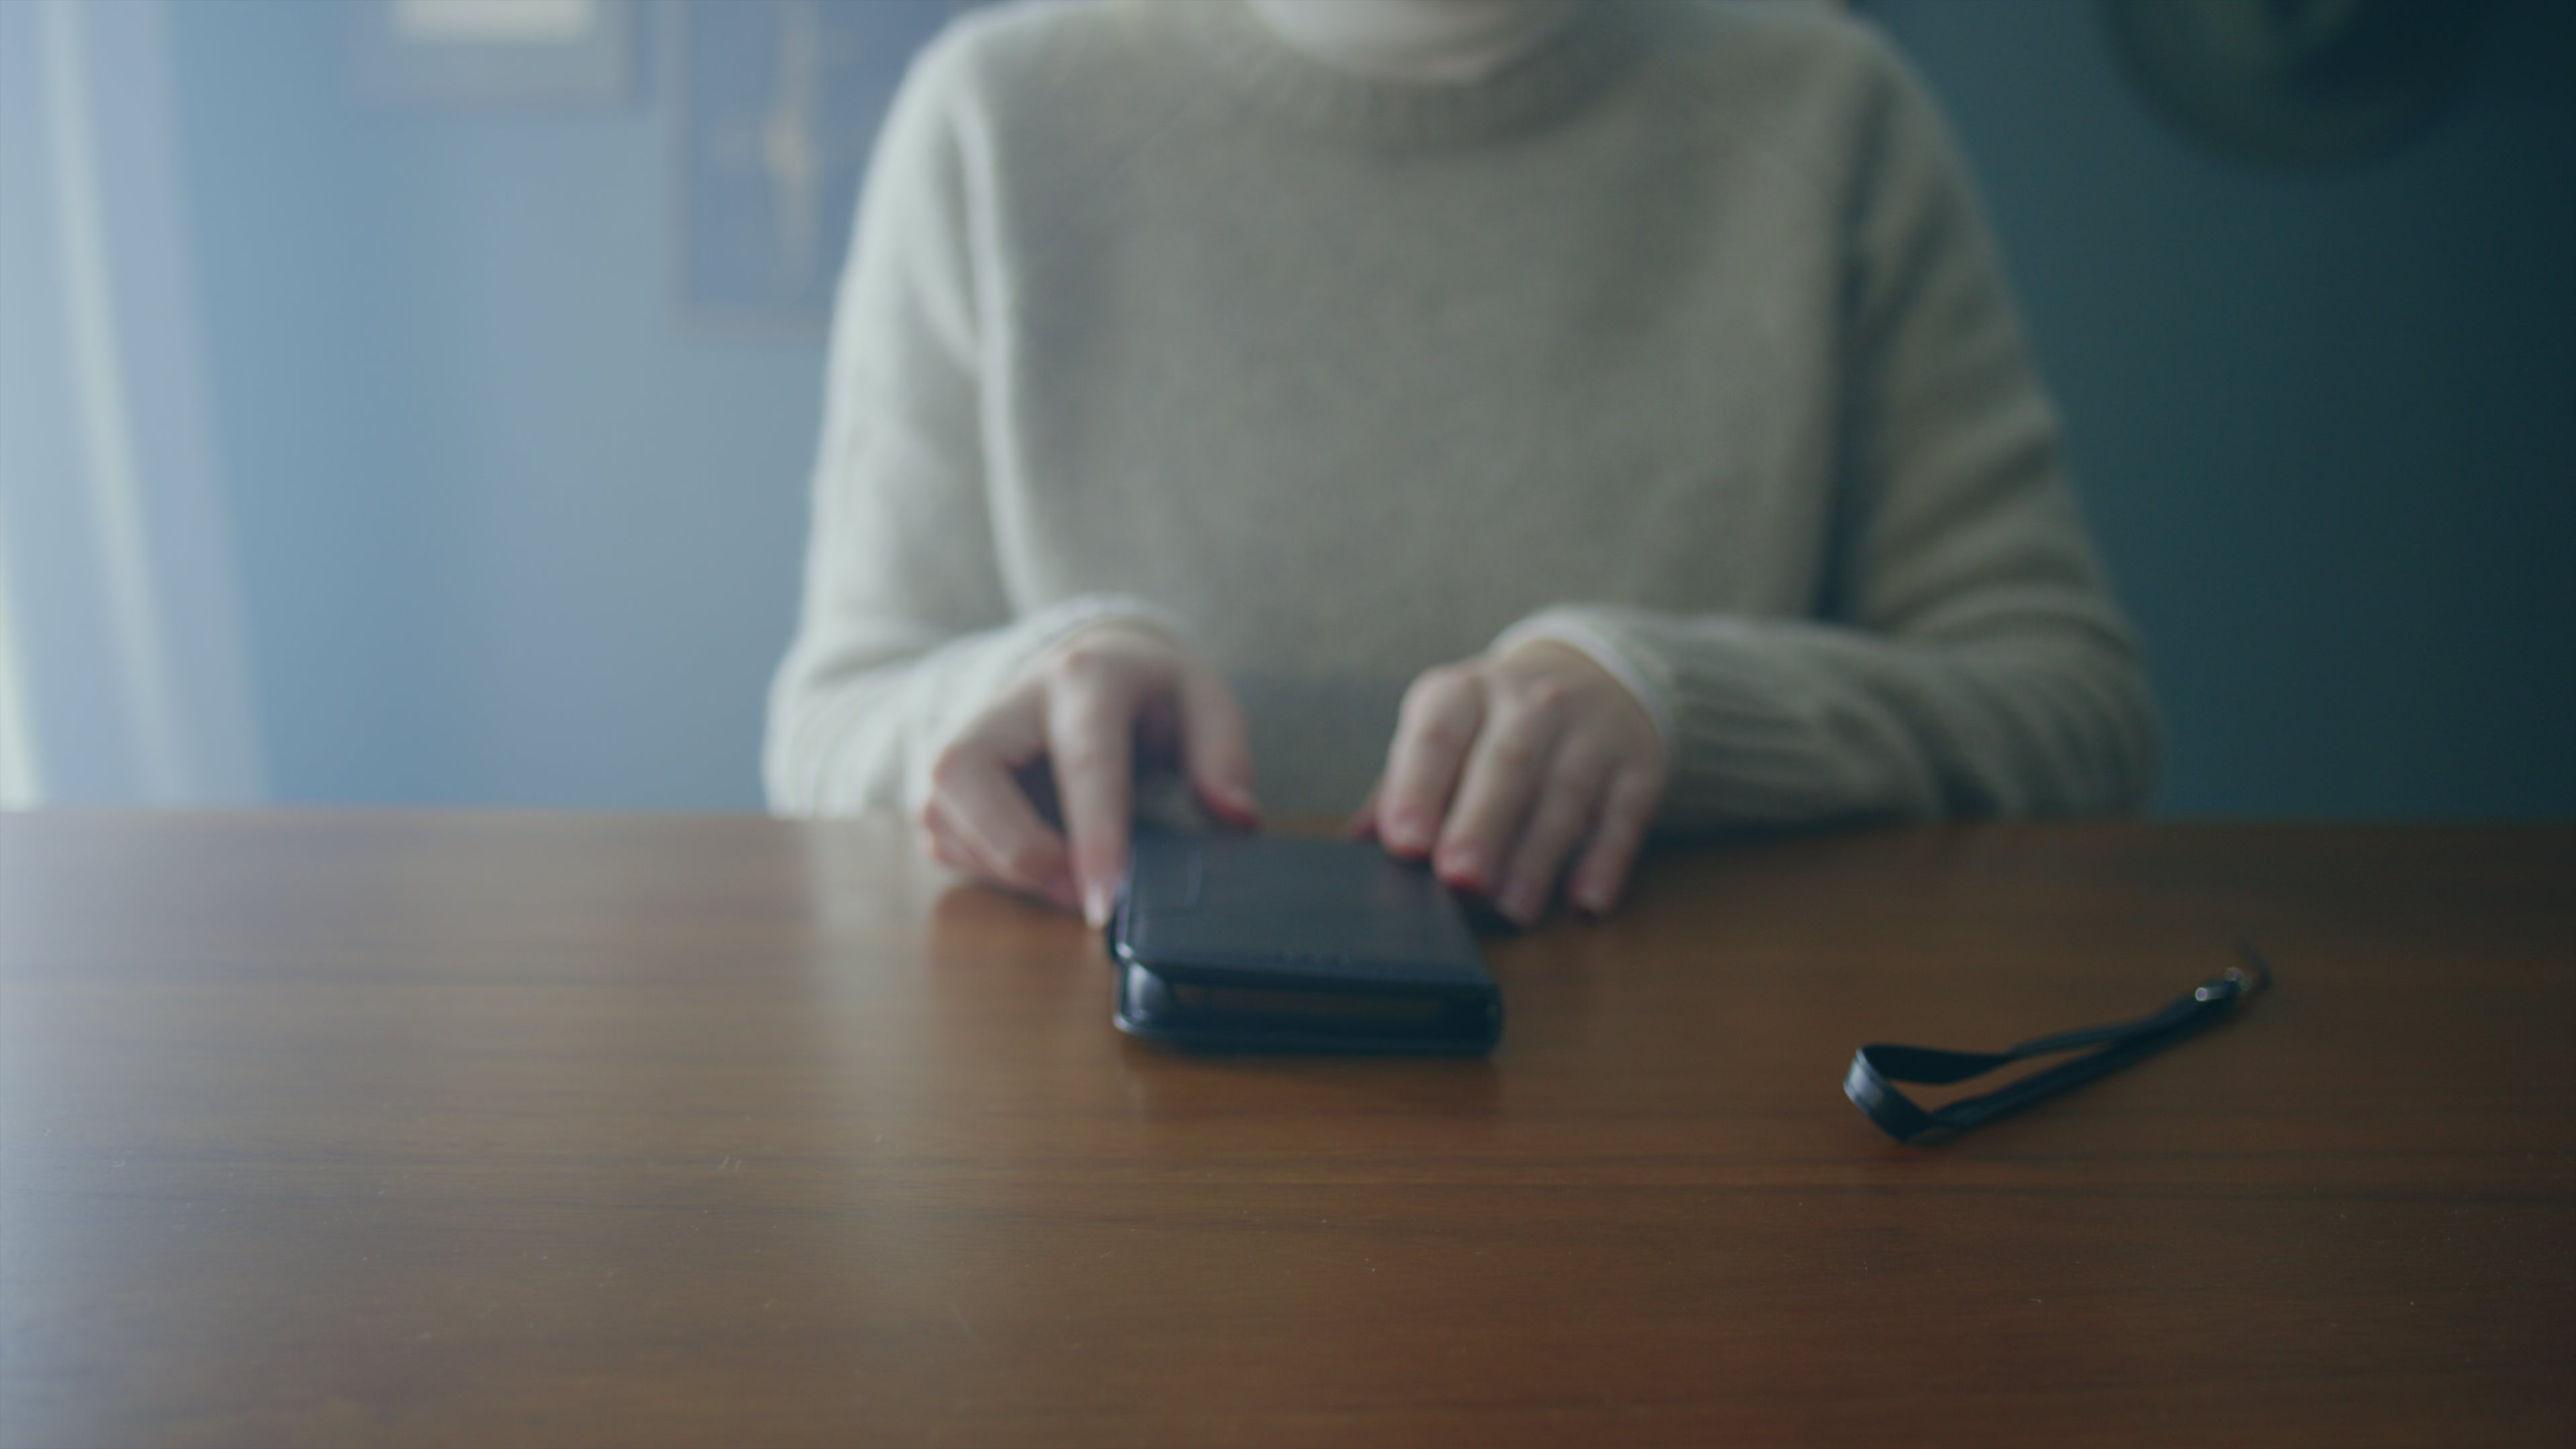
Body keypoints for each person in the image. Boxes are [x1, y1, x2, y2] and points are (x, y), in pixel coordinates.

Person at [764, 0, 2159, 929]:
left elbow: (2070, 708)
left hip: (1697, 1145)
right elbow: (830, 722)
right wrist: (1034, 679)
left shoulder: (1830, 111)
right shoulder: (997, 116)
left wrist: (1675, 709)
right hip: (1100, 1162)